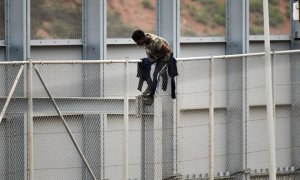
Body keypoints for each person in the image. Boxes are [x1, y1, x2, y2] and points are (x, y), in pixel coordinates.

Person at [132, 29, 173, 101]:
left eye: (137, 42)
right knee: (143, 65)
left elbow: (167, 51)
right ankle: (150, 85)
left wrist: (157, 57)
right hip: (155, 56)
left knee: (155, 74)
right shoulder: (145, 39)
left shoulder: (155, 41)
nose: (137, 44)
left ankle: (151, 96)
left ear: (141, 38)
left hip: (165, 58)